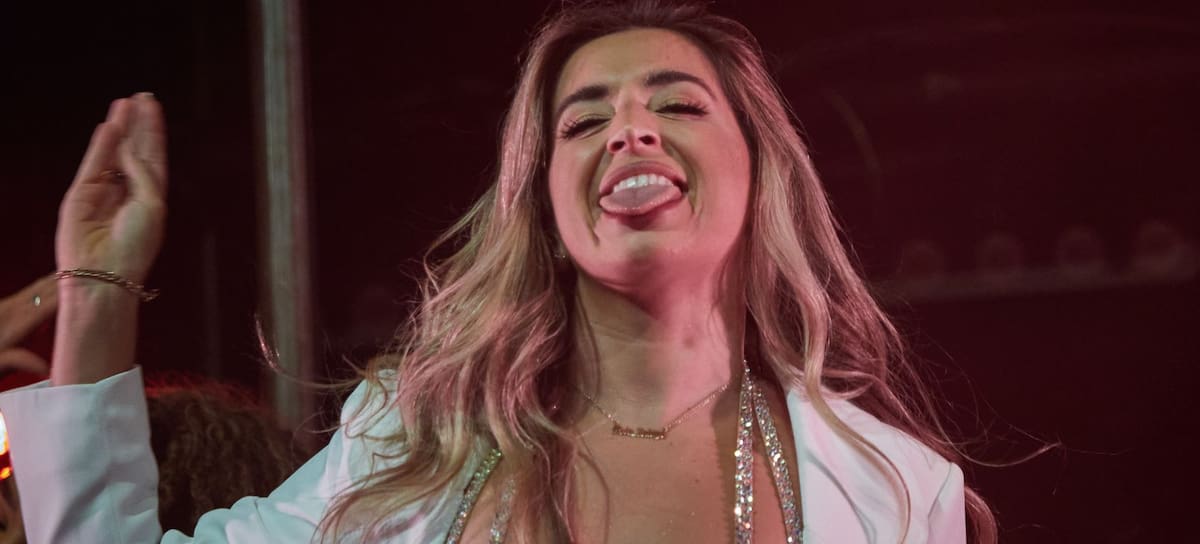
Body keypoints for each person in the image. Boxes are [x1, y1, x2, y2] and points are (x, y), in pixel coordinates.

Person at [0, 1, 995, 542]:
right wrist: (95, 287)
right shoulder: (411, 445)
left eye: (678, 104)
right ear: (547, 210)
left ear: (759, 172)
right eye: (584, 120)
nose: (631, 129)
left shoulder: (895, 492)